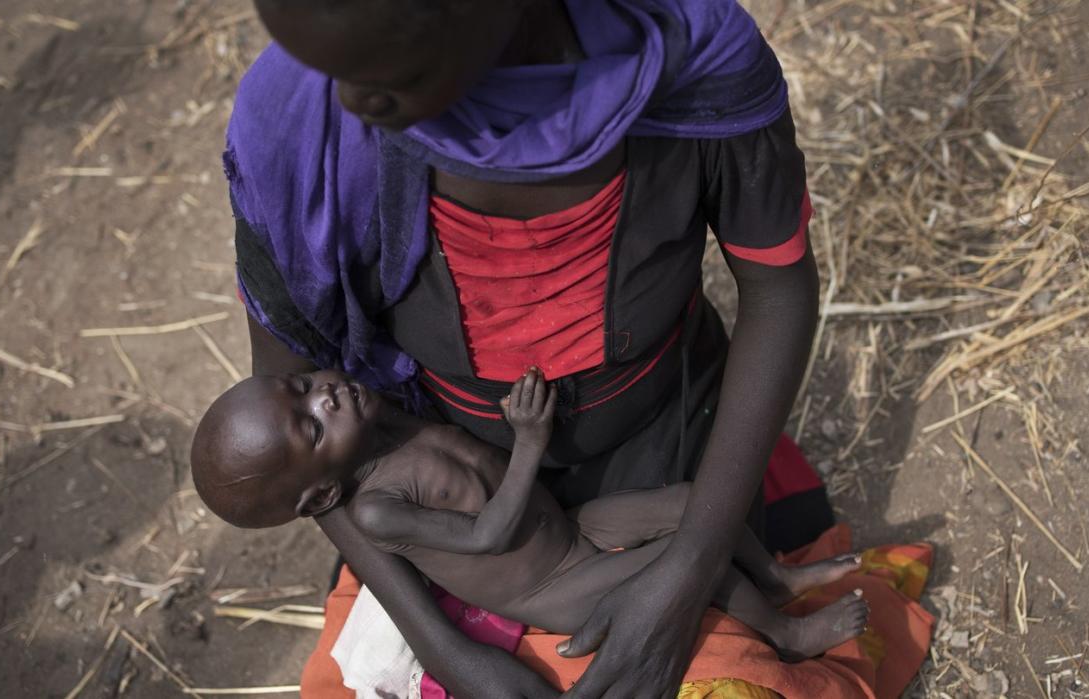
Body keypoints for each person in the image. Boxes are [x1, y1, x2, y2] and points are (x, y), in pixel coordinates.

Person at [223, 0, 823, 694]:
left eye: (385, 67)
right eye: (324, 65)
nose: (349, 100)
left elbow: (778, 292)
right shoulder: (299, 122)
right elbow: (298, 439)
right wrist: (451, 652)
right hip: (457, 518)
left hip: (675, 449)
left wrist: (691, 565)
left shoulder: (687, 55)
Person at [192, 368, 868, 660]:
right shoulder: (374, 511)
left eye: (304, 388)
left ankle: (775, 580)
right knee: (692, 557)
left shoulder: (377, 425)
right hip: (552, 586)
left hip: (570, 527)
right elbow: (489, 532)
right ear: (319, 499)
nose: (326, 396)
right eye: (311, 427)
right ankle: (785, 634)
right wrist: (531, 440)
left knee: (695, 503)